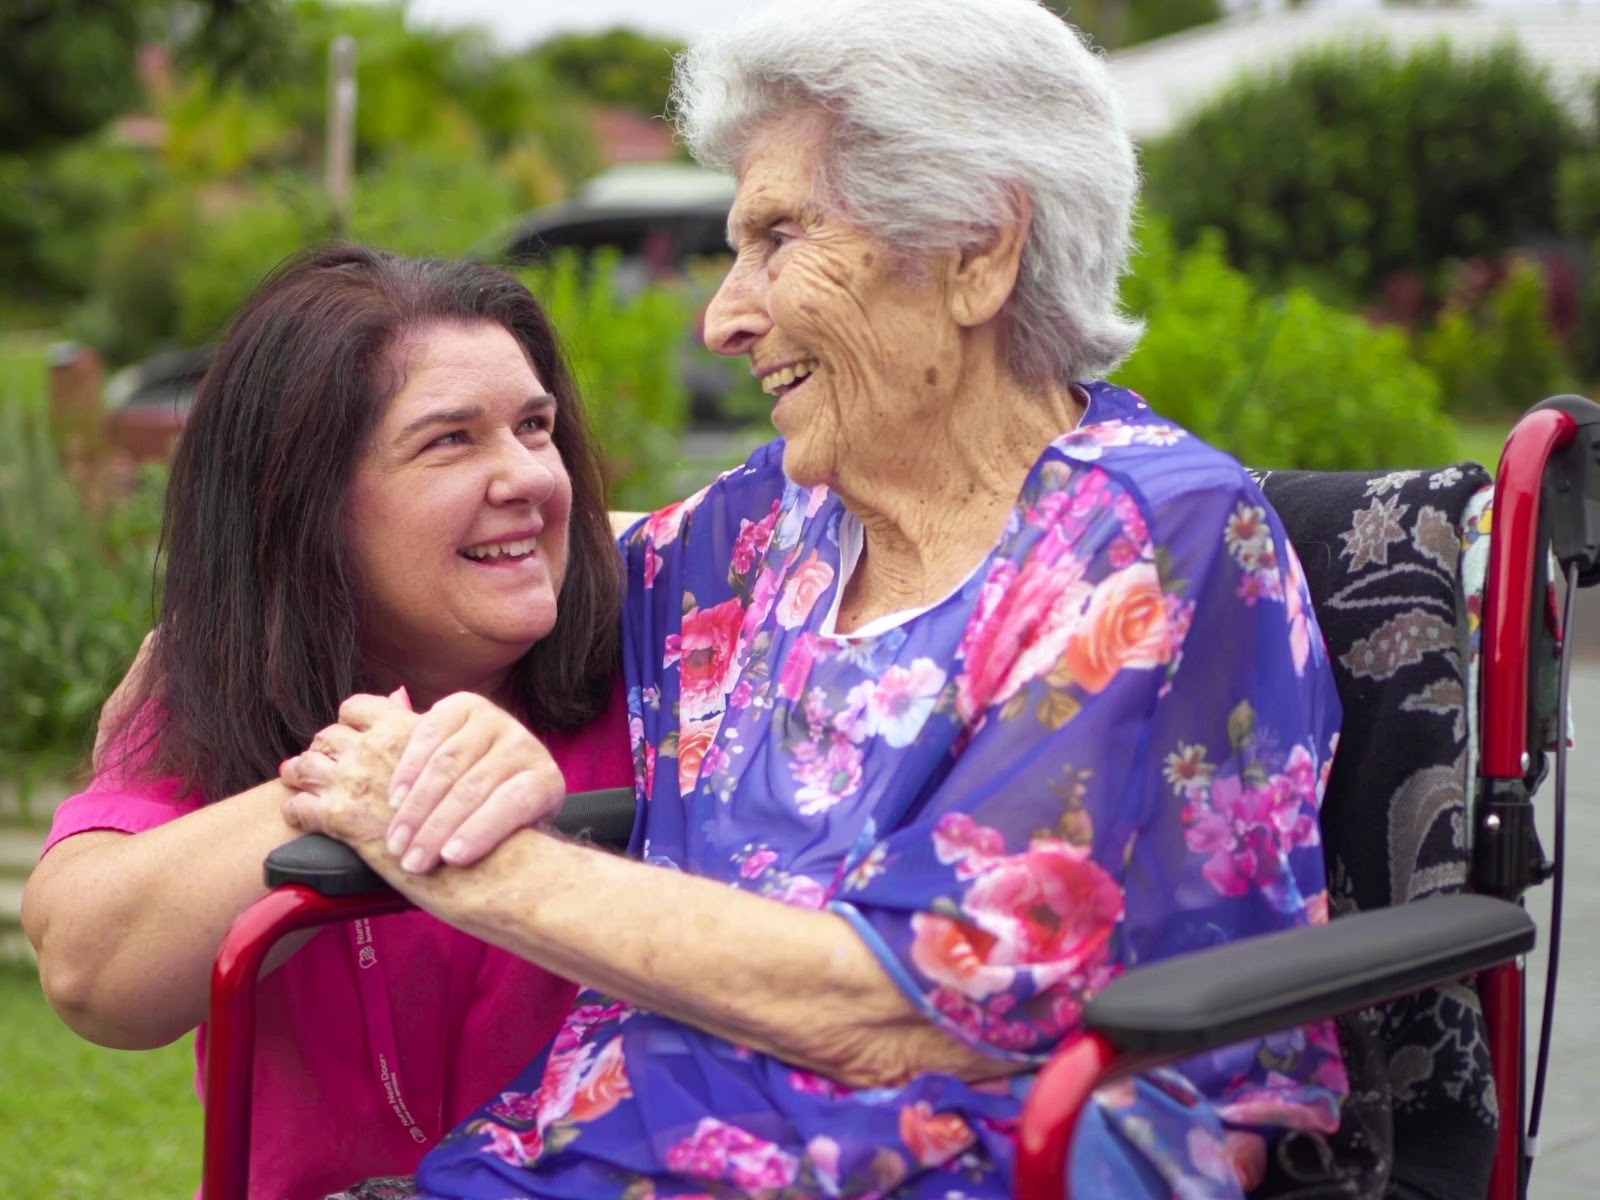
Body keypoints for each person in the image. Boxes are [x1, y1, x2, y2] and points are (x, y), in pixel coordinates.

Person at [278, 2, 1349, 1196]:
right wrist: (204, 645)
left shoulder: (1143, 538)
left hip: (989, 1152)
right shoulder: (771, 532)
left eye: (779, 237)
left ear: (976, 252)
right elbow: (506, 555)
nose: (724, 316)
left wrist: (465, 858)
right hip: (634, 1147)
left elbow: (918, 1009)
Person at [21, 246, 634, 1200]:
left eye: (535, 427)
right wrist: (352, 788)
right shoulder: (217, 692)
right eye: (451, 441)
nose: (529, 477)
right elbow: (91, 972)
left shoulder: (671, 648)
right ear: (308, 508)